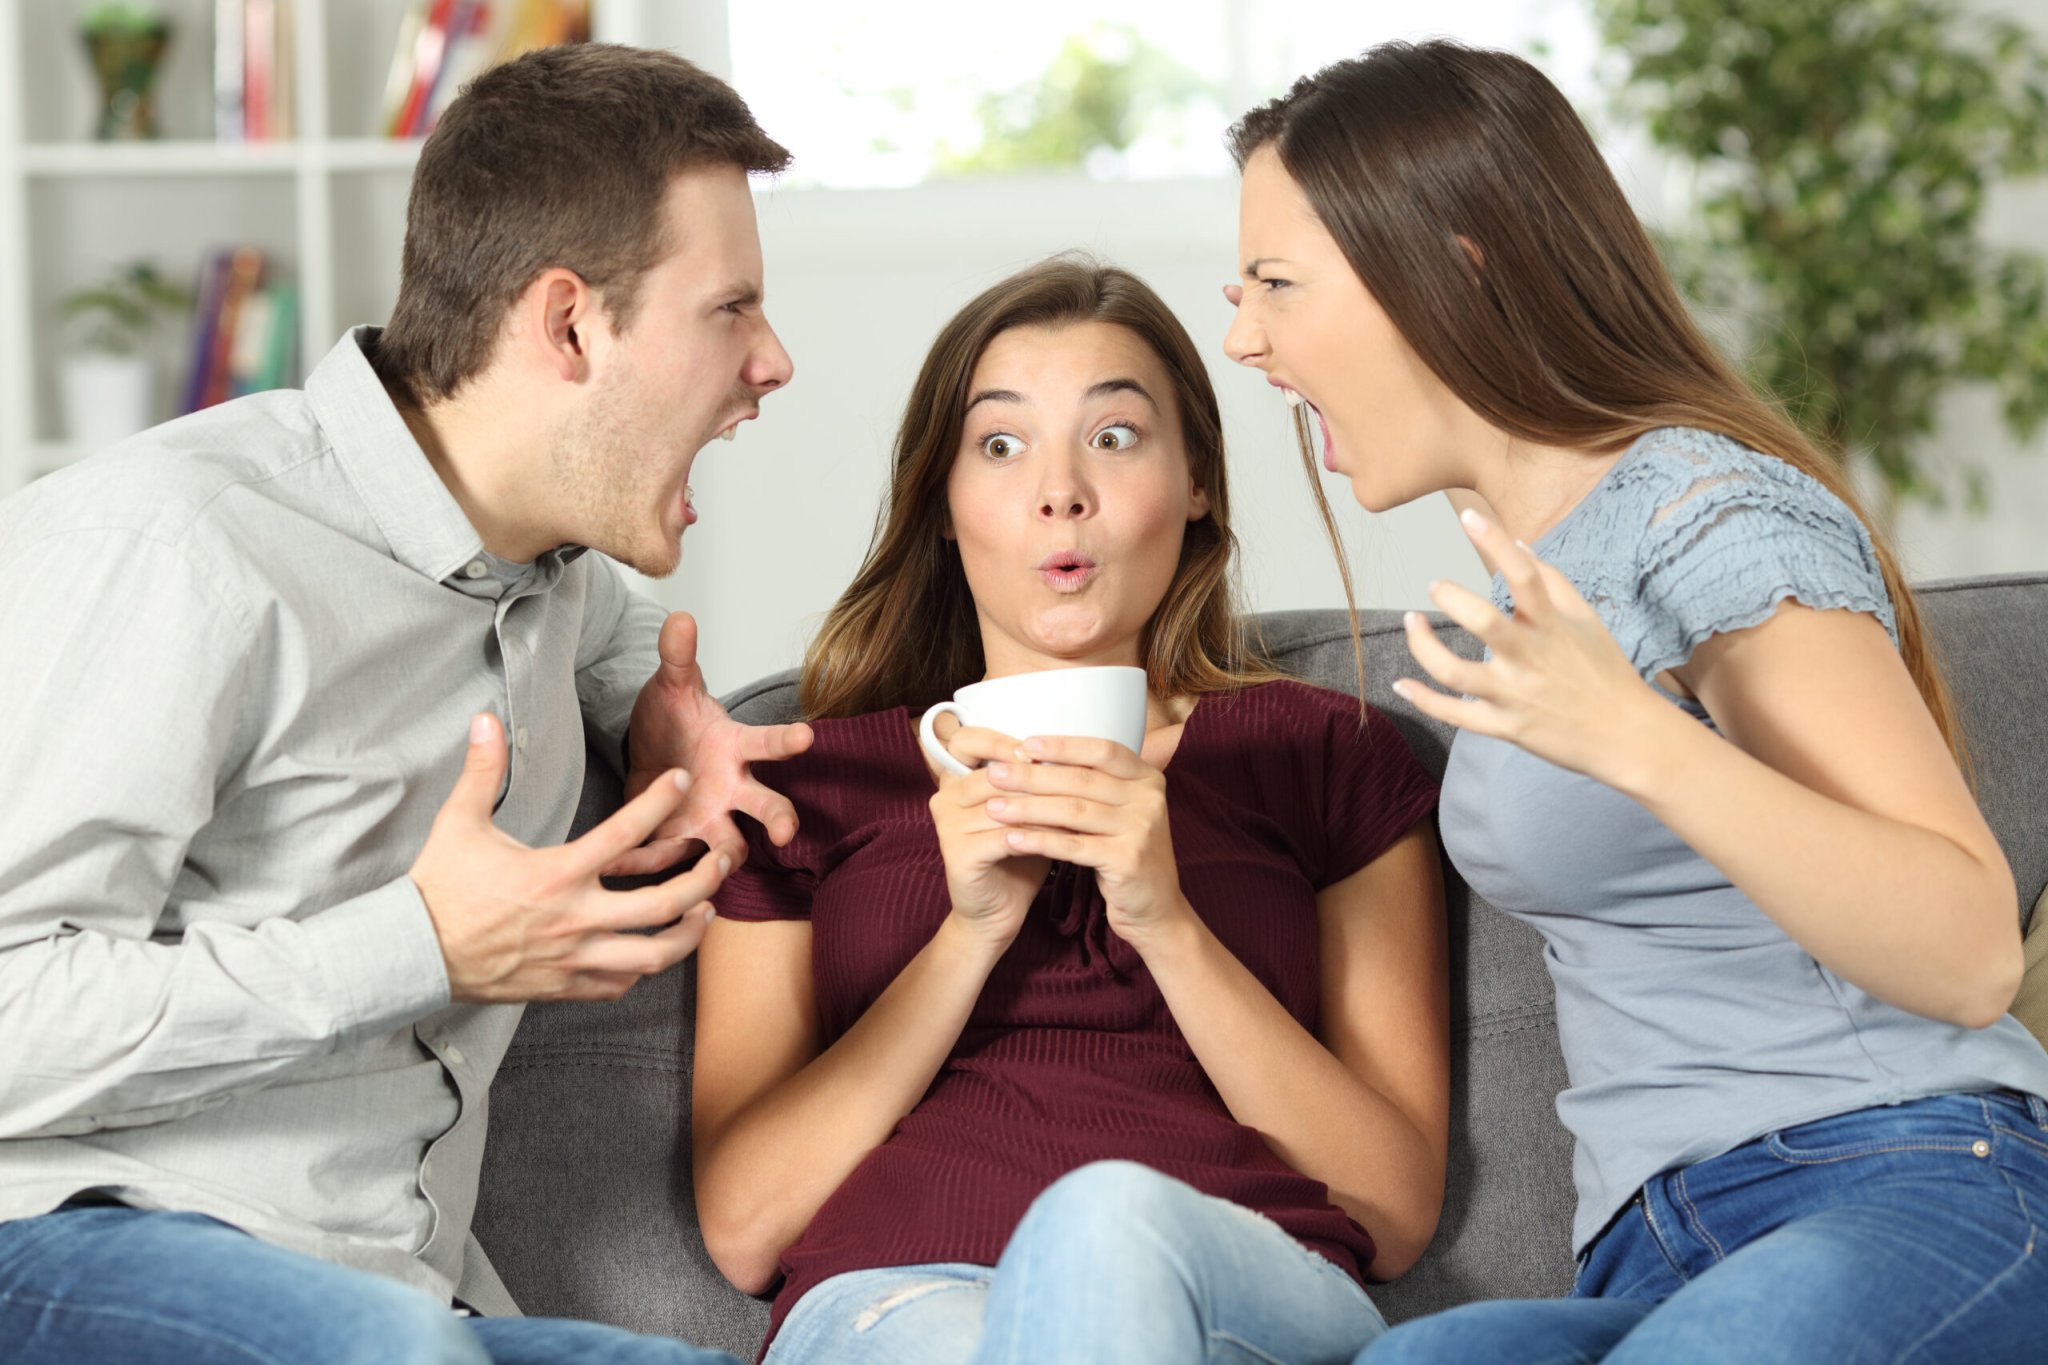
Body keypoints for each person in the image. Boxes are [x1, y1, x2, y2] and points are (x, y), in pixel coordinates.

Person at [1219, 40, 2048, 1365]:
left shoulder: (1704, 510)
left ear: (1456, 260)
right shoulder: (1524, 586)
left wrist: (1636, 737)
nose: (1242, 337)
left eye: (1275, 284)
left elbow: (1966, 946)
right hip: (1650, 1251)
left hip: (1899, 1172)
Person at [0, 44, 813, 1365]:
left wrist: (655, 721)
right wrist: (417, 946)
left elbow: (606, 644)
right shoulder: (177, 551)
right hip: (71, 1233)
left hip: (393, 1293)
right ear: (569, 325)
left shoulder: (550, 580)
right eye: (732, 310)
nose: (773, 363)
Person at [688, 258, 1448, 1365]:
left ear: (1195, 484)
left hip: (1228, 1290)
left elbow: (1388, 1209)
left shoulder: (1322, 752)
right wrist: (970, 935)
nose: (1060, 491)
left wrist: (1164, 921)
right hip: (900, 1305)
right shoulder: (811, 785)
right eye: (999, 445)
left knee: (1106, 1223)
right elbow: (747, 1230)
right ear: (940, 507)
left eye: (1114, 435)